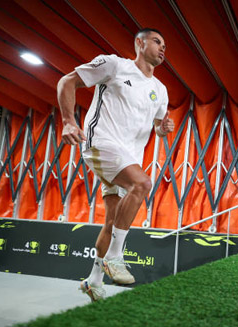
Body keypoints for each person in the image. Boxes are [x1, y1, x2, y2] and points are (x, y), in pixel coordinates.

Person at [57, 28, 174, 301]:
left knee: (112, 222)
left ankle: (93, 280)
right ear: (139, 43)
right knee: (142, 183)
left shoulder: (160, 89)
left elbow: (158, 126)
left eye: (165, 44)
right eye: (157, 41)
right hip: (102, 143)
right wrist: (67, 121)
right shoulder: (114, 65)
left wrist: (164, 127)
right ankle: (115, 257)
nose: (162, 48)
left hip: (130, 155)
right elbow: (66, 82)